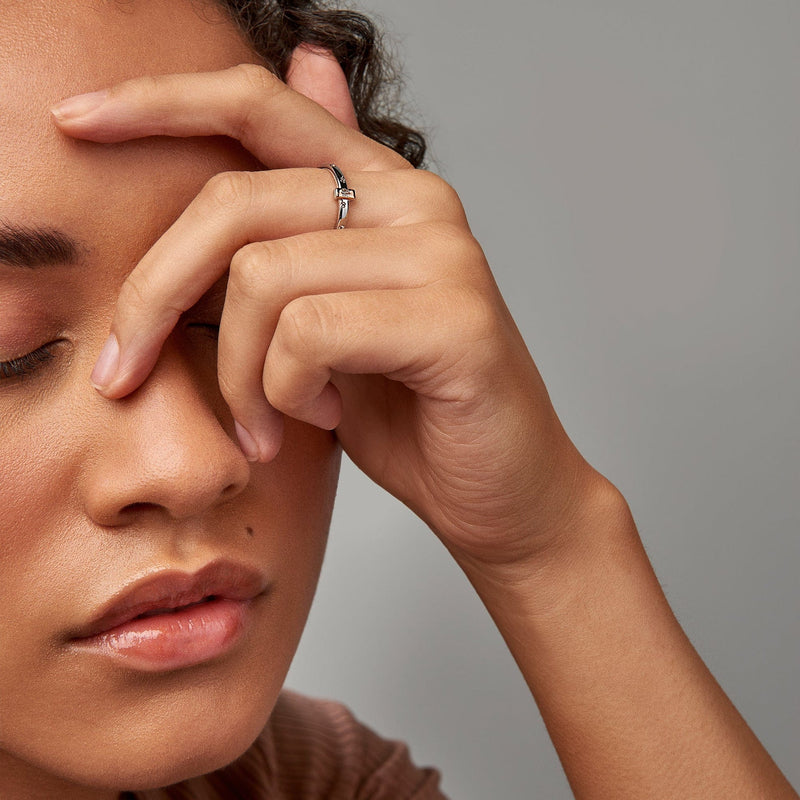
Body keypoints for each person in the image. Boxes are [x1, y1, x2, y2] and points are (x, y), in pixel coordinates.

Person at [0, 1, 796, 798]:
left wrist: (550, 549)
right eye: (13, 349)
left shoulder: (309, 784)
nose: (192, 463)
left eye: (225, 305)